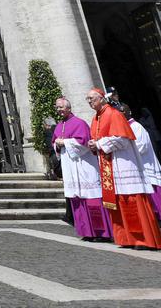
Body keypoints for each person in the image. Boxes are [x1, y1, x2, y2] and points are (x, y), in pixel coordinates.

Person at [87, 86, 161, 249]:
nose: (89, 102)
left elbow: (122, 139)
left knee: (131, 201)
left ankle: (143, 239)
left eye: (92, 98)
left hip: (123, 164)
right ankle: (126, 238)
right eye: (87, 100)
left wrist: (99, 143)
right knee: (118, 202)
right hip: (109, 166)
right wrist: (94, 145)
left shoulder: (113, 114)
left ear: (101, 98)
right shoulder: (96, 118)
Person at [52, 97, 113, 241]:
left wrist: (65, 141)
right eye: (57, 108)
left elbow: (84, 144)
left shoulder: (79, 123)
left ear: (68, 108)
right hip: (70, 170)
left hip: (84, 168)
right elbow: (54, 143)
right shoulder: (59, 126)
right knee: (77, 200)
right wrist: (58, 144)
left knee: (92, 200)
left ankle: (101, 233)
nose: (59, 110)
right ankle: (86, 232)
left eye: (61, 107)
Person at [122, 104, 161, 225]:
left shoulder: (136, 126)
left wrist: (125, 150)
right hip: (139, 166)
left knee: (155, 192)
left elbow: (141, 146)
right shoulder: (125, 127)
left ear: (129, 112)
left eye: (123, 111)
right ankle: (156, 217)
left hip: (147, 165)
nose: (122, 113)